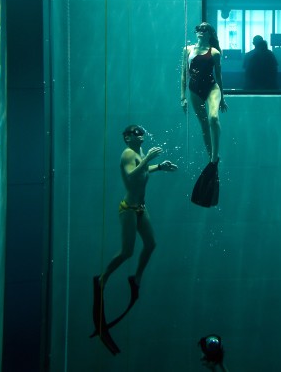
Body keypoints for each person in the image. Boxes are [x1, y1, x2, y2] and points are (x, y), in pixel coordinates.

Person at [93, 125, 177, 353]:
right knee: (127, 251)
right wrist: (149, 157)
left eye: (141, 132)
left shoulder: (138, 154)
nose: (140, 135)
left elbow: (143, 170)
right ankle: (102, 277)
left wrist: (159, 166)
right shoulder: (128, 154)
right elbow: (131, 176)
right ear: (126, 137)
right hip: (128, 209)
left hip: (140, 207)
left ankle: (136, 277)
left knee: (151, 244)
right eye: (135, 132)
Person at [180, 22, 228, 164]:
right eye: (199, 28)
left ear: (210, 33)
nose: (201, 31)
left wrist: (222, 99)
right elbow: (184, 74)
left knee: (213, 118)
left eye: (204, 29)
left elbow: (219, 76)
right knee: (204, 124)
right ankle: (211, 157)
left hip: (212, 88)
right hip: (194, 89)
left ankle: (215, 154)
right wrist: (182, 97)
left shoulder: (214, 53)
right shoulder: (187, 50)